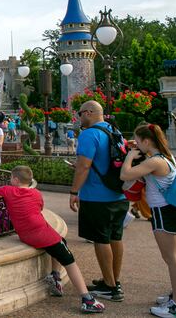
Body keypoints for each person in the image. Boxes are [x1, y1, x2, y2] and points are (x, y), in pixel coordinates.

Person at [0, 166, 105, 313]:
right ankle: (87, 299)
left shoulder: (7, 190)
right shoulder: (36, 193)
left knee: (61, 240)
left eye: (11, 178)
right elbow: (39, 208)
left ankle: (55, 276)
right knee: (70, 262)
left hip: (27, 234)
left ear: (15, 179)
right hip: (41, 234)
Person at [120, 124, 176, 317]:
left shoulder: (155, 162)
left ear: (147, 141)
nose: (136, 145)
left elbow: (125, 174)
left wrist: (129, 157)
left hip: (163, 212)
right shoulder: (166, 156)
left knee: (172, 260)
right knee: (173, 258)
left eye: (138, 141)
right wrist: (134, 148)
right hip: (170, 210)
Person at [70, 100, 127, 302]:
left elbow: (83, 166)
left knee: (100, 239)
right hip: (119, 195)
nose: (79, 118)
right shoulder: (115, 131)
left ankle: (110, 288)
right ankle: (112, 280)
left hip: (96, 196)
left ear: (89, 113)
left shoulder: (89, 134)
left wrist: (74, 190)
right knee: (115, 238)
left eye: (80, 113)